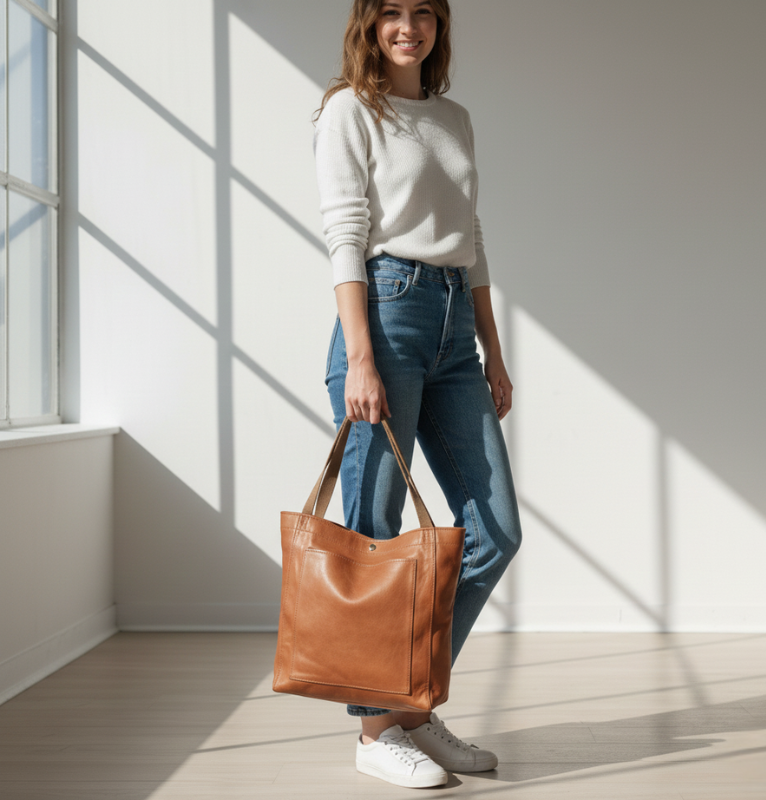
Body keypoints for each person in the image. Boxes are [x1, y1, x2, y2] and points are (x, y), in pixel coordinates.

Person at [312, 0, 523, 789]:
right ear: (369, 23)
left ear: (440, 25)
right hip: (385, 311)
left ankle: (406, 706)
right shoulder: (348, 110)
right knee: (374, 536)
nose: (410, 26)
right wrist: (360, 355)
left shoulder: (454, 118)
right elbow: (344, 230)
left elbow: (470, 238)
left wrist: (492, 348)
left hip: (451, 331)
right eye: (392, 12)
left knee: (493, 531)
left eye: (424, 13)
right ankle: (374, 733)